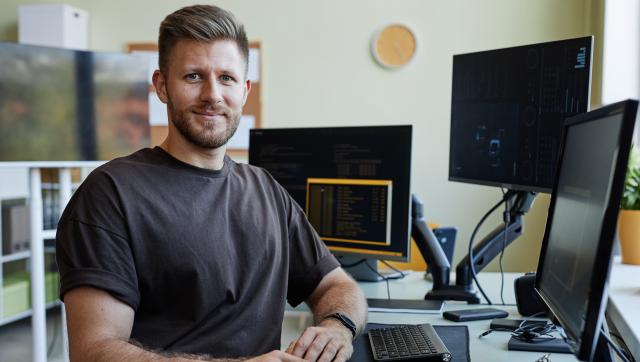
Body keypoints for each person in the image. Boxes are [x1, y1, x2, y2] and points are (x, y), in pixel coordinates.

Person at [56, 5, 367, 362]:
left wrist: (337, 326)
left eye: (227, 78)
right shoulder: (110, 193)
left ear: (245, 89)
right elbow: (93, 351)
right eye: (193, 77)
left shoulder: (265, 189)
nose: (213, 95)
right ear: (161, 86)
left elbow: (337, 285)